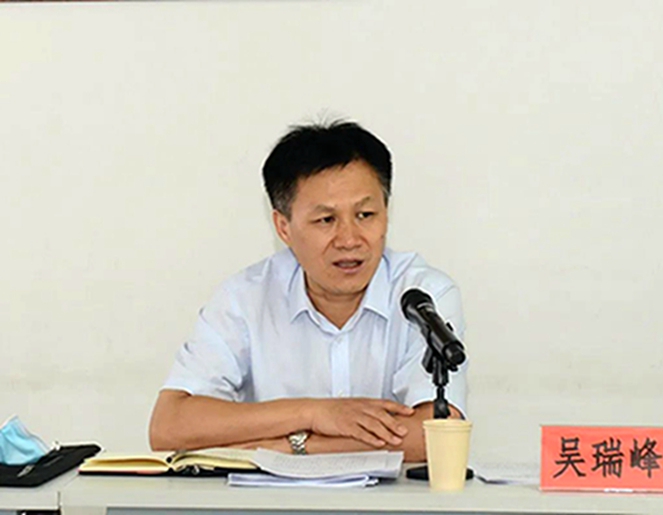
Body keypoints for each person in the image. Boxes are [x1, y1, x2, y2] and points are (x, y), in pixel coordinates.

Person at [148, 120, 468, 462]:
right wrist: (313, 413)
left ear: (386, 214)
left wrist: (290, 447)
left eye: (365, 215)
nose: (349, 240)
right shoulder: (244, 299)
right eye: (326, 220)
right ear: (283, 227)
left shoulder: (422, 296)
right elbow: (169, 427)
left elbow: (435, 434)